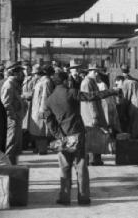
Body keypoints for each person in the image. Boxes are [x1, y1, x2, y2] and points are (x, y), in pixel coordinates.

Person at [44, 72, 121, 206]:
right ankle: (84, 197)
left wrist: (59, 136)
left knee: (64, 168)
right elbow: (92, 96)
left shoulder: (49, 100)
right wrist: (112, 91)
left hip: (63, 137)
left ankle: (64, 197)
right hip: (77, 134)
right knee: (81, 166)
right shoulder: (71, 92)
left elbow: (49, 122)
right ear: (64, 81)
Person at [80, 64, 109, 166]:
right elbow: (90, 100)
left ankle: (94, 159)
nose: (97, 74)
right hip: (90, 114)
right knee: (93, 136)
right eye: (95, 72)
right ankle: (93, 159)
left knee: (93, 136)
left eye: (98, 71)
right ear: (91, 71)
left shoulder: (90, 81)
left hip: (90, 113)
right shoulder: (87, 82)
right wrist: (94, 116)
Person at [0, 62, 25, 165]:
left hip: (16, 119)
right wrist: (14, 117)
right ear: (14, 73)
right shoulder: (9, 85)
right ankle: (8, 167)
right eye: (20, 72)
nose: (22, 74)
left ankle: (13, 168)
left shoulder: (14, 84)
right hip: (12, 120)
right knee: (10, 146)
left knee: (15, 147)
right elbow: (6, 104)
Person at [29, 65, 55, 154]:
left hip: (41, 110)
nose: (34, 76)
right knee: (38, 131)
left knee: (42, 131)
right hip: (36, 109)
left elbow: (46, 96)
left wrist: (43, 110)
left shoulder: (46, 81)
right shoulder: (40, 81)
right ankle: (39, 147)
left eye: (35, 74)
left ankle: (42, 149)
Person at [22, 64, 41, 151]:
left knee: (29, 125)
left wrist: (23, 95)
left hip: (30, 104)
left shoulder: (34, 80)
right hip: (23, 103)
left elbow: (33, 92)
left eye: (27, 69)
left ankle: (31, 143)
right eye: (24, 69)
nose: (25, 71)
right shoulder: (22, 79)